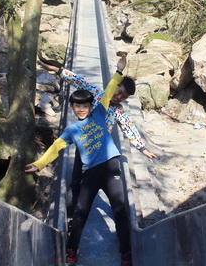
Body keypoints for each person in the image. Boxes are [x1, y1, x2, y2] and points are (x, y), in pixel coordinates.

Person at [25, 55, 134, 266]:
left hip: (111, 168)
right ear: (73, 108)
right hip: (91, 173)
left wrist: (119, 70)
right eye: (77, 106)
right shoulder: (72, 130)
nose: (82, 109)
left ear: (91, 105)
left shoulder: (101, 111)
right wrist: (38, 164)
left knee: (120, 210)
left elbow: (111, 88)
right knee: (80, 212)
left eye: (85, 106)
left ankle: (127, 252)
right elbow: (55, 148)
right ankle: (71, 250)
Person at [36, 57, 157, 210]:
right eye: (119, 92)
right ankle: (73, 208)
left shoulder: (118, 110)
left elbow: (128, 127)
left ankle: (92, 202)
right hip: (84, 143)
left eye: (124, 97)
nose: (119, 97)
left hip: (101, 150)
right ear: (115, 87)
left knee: (94, 177)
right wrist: (53, 68)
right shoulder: (96, 94)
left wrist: (142, 147)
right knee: (77, 177)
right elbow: (77, 80)